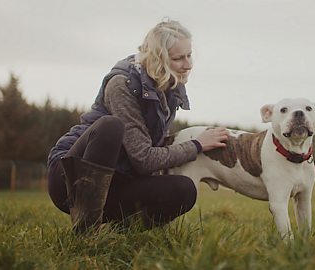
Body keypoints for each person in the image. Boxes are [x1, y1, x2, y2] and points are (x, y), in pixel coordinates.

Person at [46, 19, 229, 233]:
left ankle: (117, 235)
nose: (188, 64)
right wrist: (197, 145)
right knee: (111, 127)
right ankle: (86, 231)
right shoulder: (122, 84)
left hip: (117, 183)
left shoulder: (169, 87)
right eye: (178, 58)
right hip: (70, 180)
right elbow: (143, 158)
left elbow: (150, 154)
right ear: (157, 59)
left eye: (189, 55)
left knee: (184, 190)